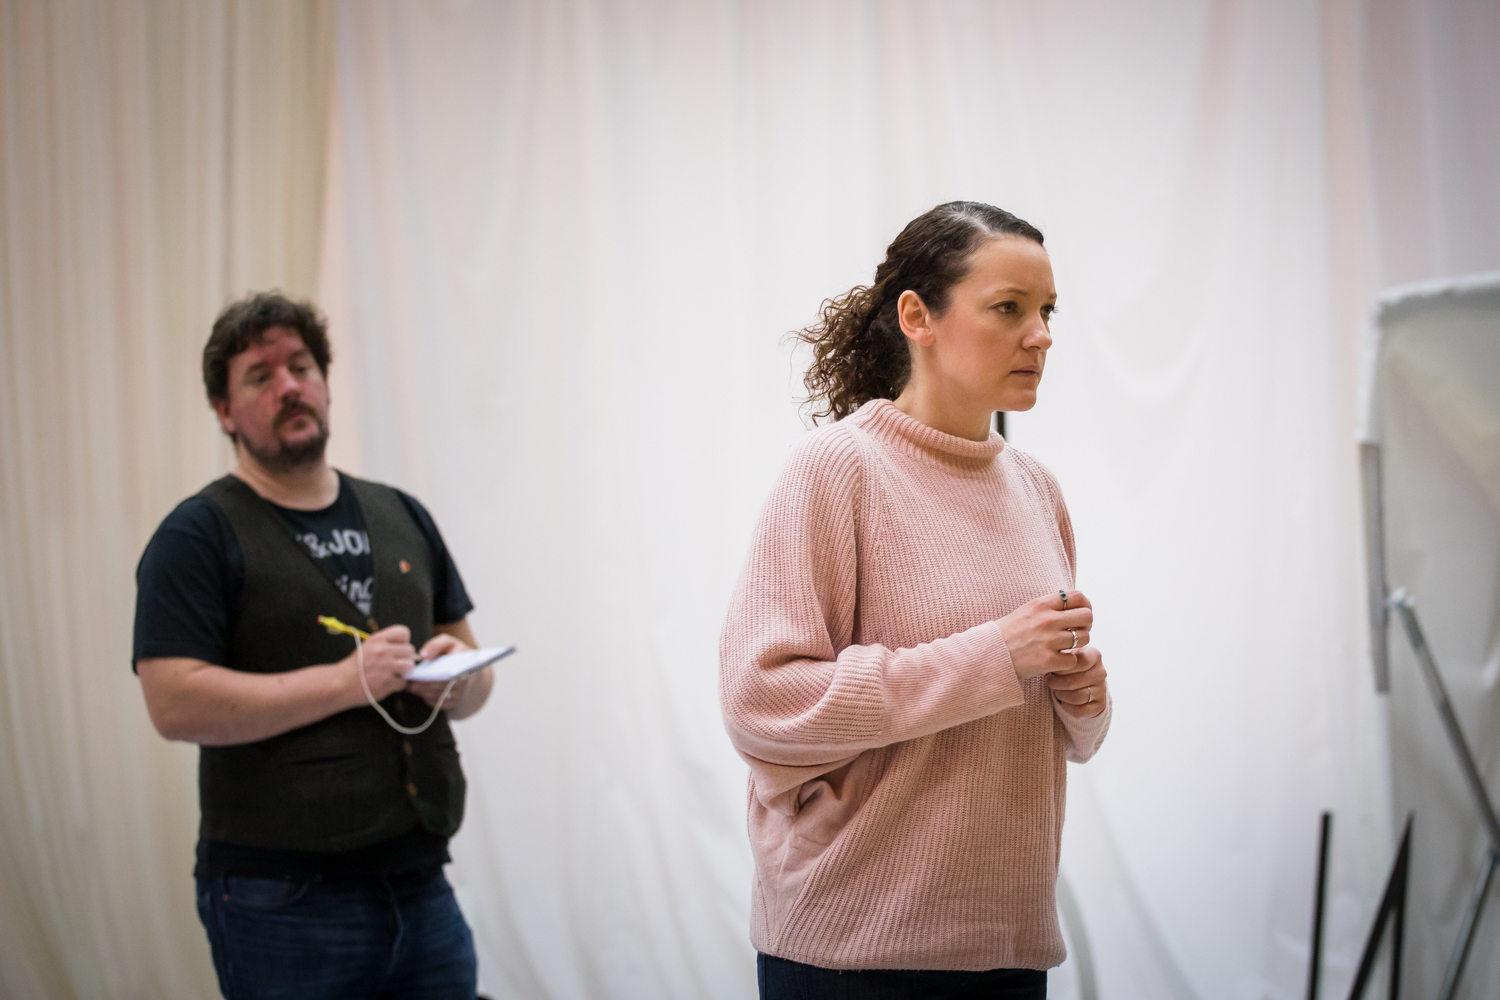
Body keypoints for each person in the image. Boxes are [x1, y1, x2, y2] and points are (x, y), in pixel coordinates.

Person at [719, 202, 1111, 999]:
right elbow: (760, 706)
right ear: (916, 317)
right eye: (1008, 309)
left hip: (1006, 948)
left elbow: (1072, 735)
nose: (1039, 336)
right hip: (852, 956)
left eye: (1047, 313)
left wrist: (1084, 696)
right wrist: (996, 655)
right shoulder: (835, 472)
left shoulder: (1037, 489)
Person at [133, 292, 493, 1000]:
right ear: (224, 411)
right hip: (281, 901)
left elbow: (472, 672)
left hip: (422, 886)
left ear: (326, 383)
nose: (288, 385)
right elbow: (172, 702)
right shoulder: (196, 535)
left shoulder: (400, 513)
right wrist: (346, 681)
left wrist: (453, 677)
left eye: (300, 365)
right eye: (259, 376)